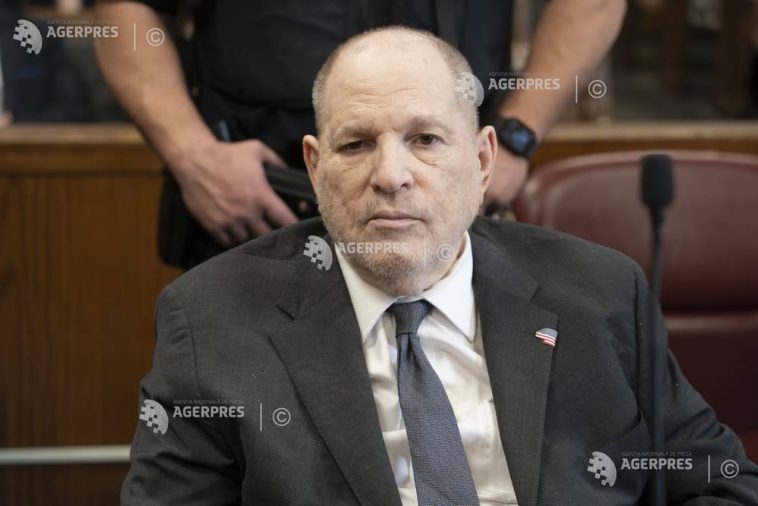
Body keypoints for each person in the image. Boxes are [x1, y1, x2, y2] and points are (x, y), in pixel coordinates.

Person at [121, 26, 758, 505]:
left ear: (482, 161)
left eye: (424, 140)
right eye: (356, 144)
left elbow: (722, 483)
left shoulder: (600, 293)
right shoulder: (214, 322)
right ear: (314, 168)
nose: (390, 175)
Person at [94, 0, 627, 269]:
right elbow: (124, 8)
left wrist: (514, 139)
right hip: (257, 210)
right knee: (245, 433)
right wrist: (193, 156)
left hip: (448, 208)